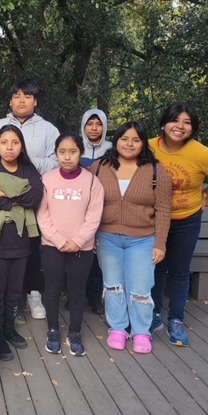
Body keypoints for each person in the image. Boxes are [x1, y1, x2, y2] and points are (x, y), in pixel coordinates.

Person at [149, 104, 208, 346]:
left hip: (186, 220)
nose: (180, 126)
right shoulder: (148, 148)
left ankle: (176, 319)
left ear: (193, 128)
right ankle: (154, 315)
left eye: (187, 122)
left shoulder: (200, 153)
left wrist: (207, 193)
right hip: (154, 220)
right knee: (155, 268)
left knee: (179, 271)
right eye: (174, 120)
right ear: (163, 124)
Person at [0, 81, 59, 321]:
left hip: (35, 194)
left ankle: (33, 293)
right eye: (17, 96)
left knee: (31, 247)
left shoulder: (48, 129)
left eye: (28, 96)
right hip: (0, 204)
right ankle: (2, 310)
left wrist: (28, 165)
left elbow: (56, 160)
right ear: (10, 101)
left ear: (36, 101)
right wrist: (2, 176)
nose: (22, 100)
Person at [92, 122, 172, 354]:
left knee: (141, 288)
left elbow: (164, 209)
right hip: (107, 237)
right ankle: (117, 328)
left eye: (136, 140)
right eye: (124, 139)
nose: (129, 144)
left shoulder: (156, 170)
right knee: (113, 286)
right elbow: (88, 201)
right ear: (116, 140)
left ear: (143, 143)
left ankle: (141, 332)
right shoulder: (100, 167)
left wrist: (160, 243)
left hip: (143, 239)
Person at [0, 125, 44, 360]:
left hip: (21, 244)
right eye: (4, 142)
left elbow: (35, 198)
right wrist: (15, 200)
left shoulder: (28, 170)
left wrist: (2, 192)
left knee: (13, 293)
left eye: (15, 142)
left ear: (21, 146)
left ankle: (9, 329)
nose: (9, 147)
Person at [37, 132, 104, 356]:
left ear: (81, 153)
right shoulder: (47, 180)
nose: (67, 157)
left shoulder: (92, 182)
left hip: (81, 248)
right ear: (56, 154)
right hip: (52, 246)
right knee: (52, 289)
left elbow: (94, 217)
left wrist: (77, 241)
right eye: (62, 152)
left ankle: (74, 332)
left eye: (72, 152)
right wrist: (58, 240)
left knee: (77, 292)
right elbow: (42, 214)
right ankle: (53, 330)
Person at [78, 109, 113, 314]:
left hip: (104, 207)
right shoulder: (76, 147)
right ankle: (77, 294)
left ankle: (95, 294)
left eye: (98, 124)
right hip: (78, 207)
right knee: (80, 252)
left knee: (99, 252)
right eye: (90, 123)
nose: (94, 128)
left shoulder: (112, 149)